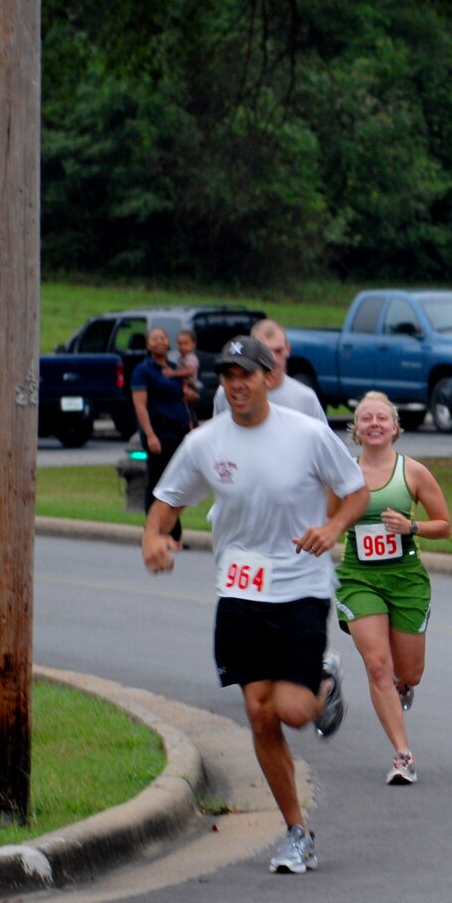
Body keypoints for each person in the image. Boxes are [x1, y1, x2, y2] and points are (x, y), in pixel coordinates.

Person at [142, 333, 368, 874]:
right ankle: (297, 832)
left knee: (293, 710)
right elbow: (168, 499)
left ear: (269, 377)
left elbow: (355, 489)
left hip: (301, 584)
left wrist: (333, 526)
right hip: (241, 588)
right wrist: (153, 536)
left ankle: (325, 680)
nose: (237, 384)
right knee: (259, 712)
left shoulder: (308, 434)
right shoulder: (206, 443)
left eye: (247, 374)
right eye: (228, 375)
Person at [336, 390, 452, 785]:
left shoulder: (413, 472)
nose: (373, 424)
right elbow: (320, 517)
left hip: (405, 578)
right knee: (377, 665)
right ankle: (403, 754)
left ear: (395, 427)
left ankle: (403, 685)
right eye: (365, 418)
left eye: (381, 418)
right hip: (358, 577)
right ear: (356, 429)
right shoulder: (343, 473)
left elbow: (445, 525)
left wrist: (411, 527)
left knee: (409, 671)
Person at [130, 327, 192, 545]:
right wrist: (150, 435)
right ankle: (155, 533)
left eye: (163, 338)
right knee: (157, 483)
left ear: (168, 344)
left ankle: (174, 533)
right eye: (154, 339)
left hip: (179, 431)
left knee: (176, 483)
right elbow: (140, 406)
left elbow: (185, 397)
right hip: (159, 431)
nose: (159, 341)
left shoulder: (176, 369)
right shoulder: (143, 371)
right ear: (148, 345)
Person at [213, 319, 328, 423]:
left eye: (278, 351)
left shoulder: (306, 398)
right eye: (266, 351)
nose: (273, 359)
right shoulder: (227, 393)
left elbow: (322, 442)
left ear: (288, 349)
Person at [172, 329, 202, 407]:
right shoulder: (181, 357)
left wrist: (174, 373)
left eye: (185, 344)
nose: (182, 347)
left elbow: (191, 371)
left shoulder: (191, 357)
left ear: (193, 345)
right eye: (180, 344)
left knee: (187, 406)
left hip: (189, 385)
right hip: (183, 384)